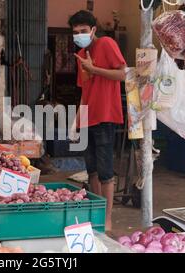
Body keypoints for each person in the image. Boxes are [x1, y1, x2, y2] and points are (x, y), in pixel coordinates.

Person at [68, 10, 127, 232]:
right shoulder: (81, 54)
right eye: (75, 32)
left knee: (105, 171)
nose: (79, 35)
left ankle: (108, 218)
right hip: (87, 119)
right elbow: (85, 92)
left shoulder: (107, 44)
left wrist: (94, 69)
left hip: (105, 115)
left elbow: (122, 74)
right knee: (91, 170)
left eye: (83, 31)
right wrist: (75, 121)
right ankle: (96, 213)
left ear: (93, 30)